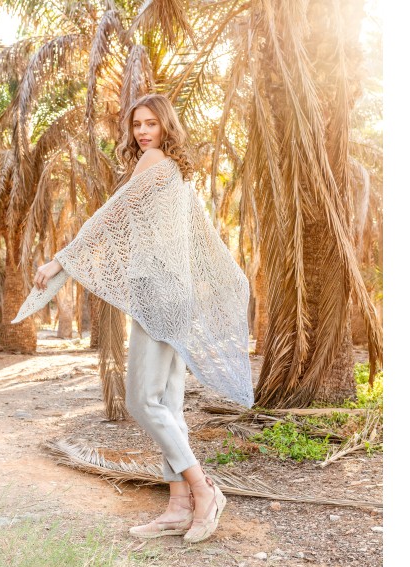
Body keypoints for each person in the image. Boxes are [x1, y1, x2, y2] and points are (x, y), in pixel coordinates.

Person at [23, 93, 252, 543]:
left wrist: (59, 261)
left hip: (158, 292)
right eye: (137, 125)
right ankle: (177, 507)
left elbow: (108, 218)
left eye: (151, 123)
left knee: (142, 402)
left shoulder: (153, 162)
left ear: (166, 126)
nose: (143, 132)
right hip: (176, 294)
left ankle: (203, 490)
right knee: (168, 404)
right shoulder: (179, 171)